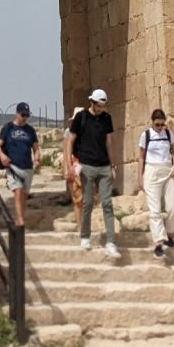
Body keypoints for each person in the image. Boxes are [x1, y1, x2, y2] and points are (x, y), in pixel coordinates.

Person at [65, 89, 121, 259]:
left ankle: (111, 242)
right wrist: (69, 165)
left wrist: (112, 165)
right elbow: (70, 141)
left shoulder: (106, 118)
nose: (101, 108)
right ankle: (85, 237)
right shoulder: (81, 117)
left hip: (103, 166)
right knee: (87, 202)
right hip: (87, 165)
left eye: (103, 106)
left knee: (107, 203)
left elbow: (109, 142)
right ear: (92, 102)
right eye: (99, 105)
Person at [137, 109, 174, 257]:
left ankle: (169, 235)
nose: (160, 127)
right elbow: (141, 157)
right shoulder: (146, 135)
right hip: (151, 172)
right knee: (155, 210)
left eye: (162, 124)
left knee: (172, 206)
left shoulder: (168, 134)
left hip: (168, 170)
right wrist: (140, 177)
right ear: (152, 122)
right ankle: (159, 242)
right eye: (157, 124)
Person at [0, 102, 40, 226]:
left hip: (27, 167)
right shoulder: (8, 128)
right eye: (23, 114)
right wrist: (2, 156)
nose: (25, 117)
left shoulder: (30, 130)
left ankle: (19, 218)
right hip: (13, 165)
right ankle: (20, 221)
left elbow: (36, 148)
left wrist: (36, 159)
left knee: (24, 196)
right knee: (18, 191)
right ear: (16, 113)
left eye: (27, 115)